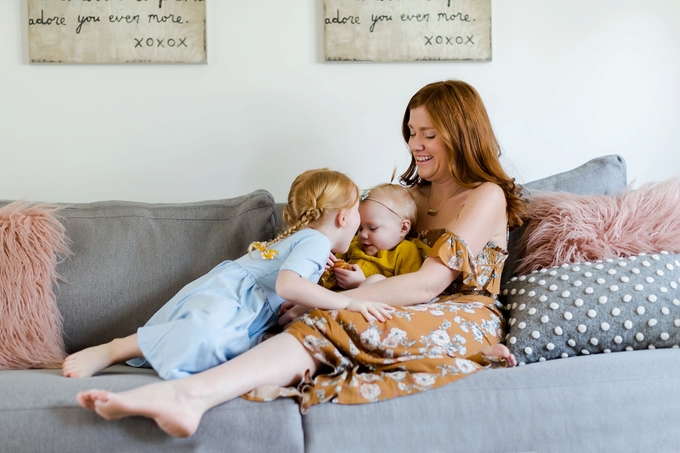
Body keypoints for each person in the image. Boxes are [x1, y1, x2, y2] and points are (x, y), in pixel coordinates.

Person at [75, 80, 525, 438]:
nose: (415, 145)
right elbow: (346, 242)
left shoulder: (484, 196)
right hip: (402, 305)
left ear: (463, 134)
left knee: (340, 319)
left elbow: (428, 285)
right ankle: (185, 389)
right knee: (304, 317)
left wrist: (334, 304)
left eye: (429, 134)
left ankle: (189, 396)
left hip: (461, 313)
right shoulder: (402, 199)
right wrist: (325, 288)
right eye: (411, 132)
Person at [62, 168, 394, 381]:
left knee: (217, 350)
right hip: (230, 297)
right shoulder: (317, 241)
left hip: (240, 304)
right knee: (204, 336)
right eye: (357, 216)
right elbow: (287, 284)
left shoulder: (309, 242)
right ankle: (112, 350)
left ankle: (147, 352)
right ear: (343, 218)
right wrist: (347, 303)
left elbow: (290, 286)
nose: (359, 226)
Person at [321, 182, 430, 290]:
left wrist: (360, 283)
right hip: (336, 297)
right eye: (360, 228)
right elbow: (334, 264)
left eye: (373, 228)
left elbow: (408, 288)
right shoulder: (353, 244)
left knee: (376, 279)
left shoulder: (405, 251)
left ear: (403, 228)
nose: (363, 234)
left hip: (373, 299)